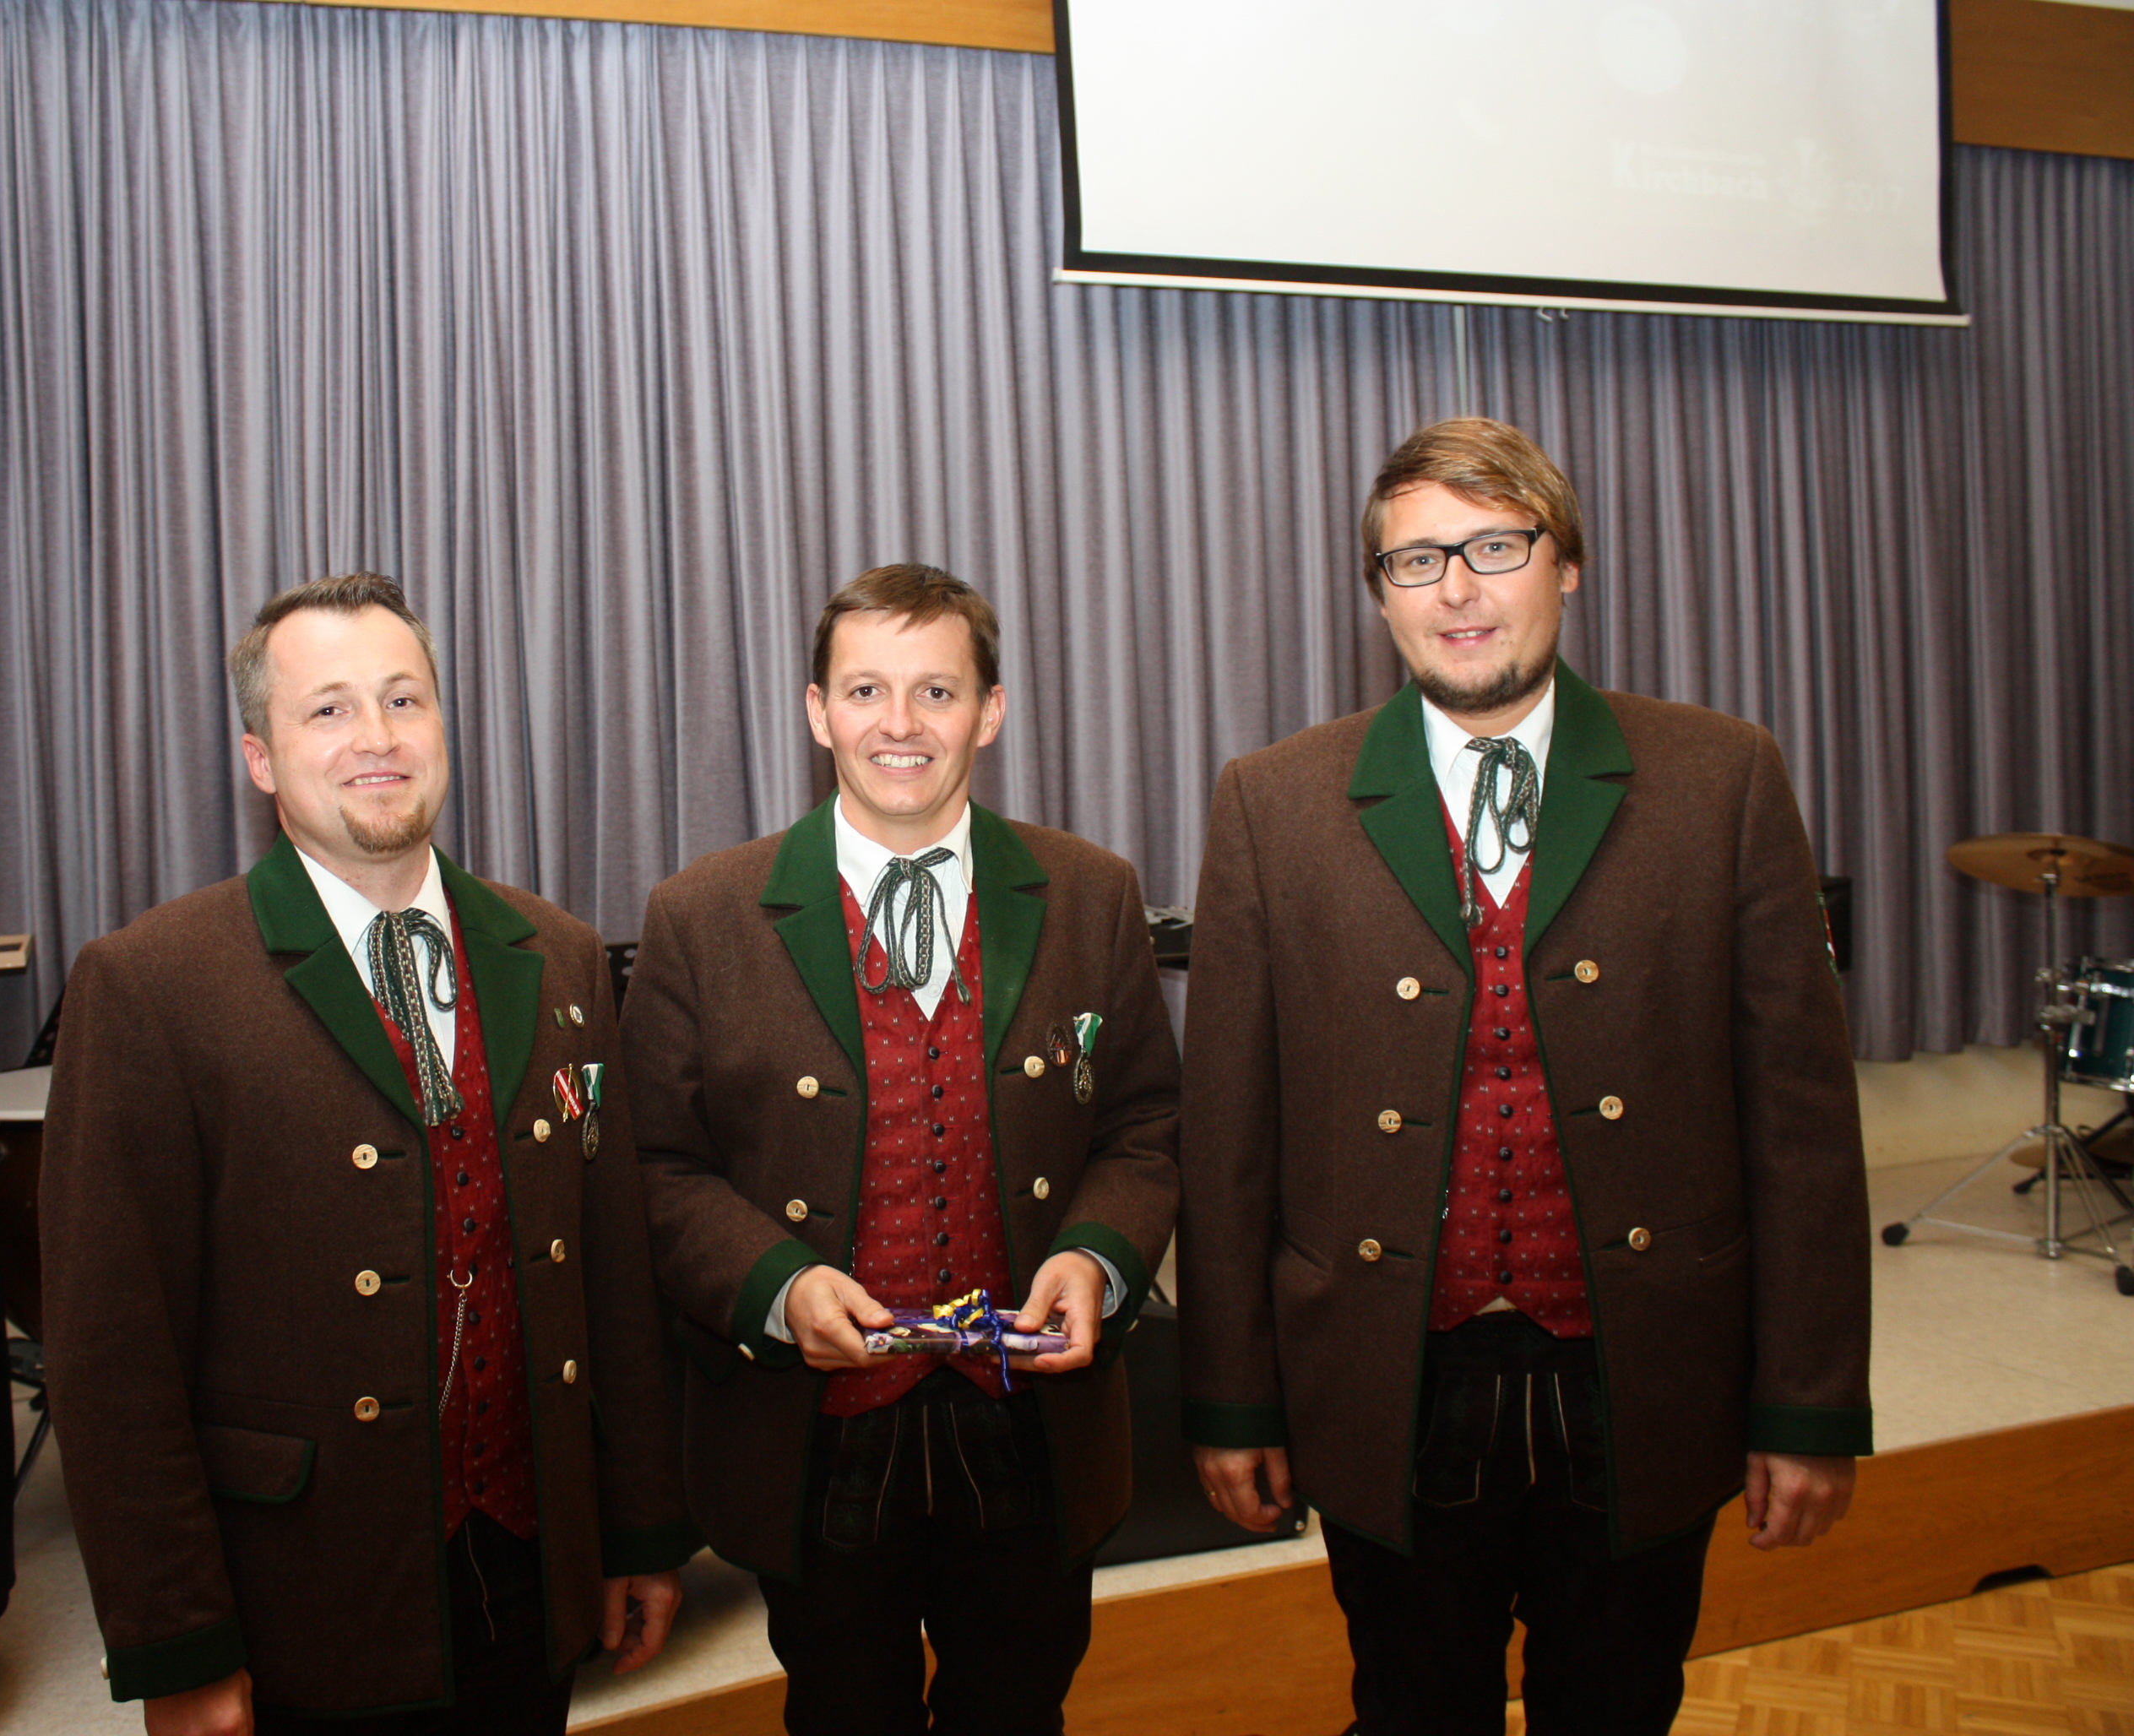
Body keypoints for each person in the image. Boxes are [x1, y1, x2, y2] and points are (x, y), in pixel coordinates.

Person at [1177, 420, 1870, 1736]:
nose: (1456, 589)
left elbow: (1803, 1129)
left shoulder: (1722, 776)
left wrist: (1809, 1405)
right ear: (1380, 594)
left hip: (1644, 1376)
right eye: (1416, 560)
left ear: (1569, 564)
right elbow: (1227, 1139)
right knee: (1409, 1709)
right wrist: (1230, 1397)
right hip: (1387, 1380)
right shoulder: (1273, 800)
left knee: (1617, 1709)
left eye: (1495, 546)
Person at [41, 574, 692, 1735]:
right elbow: (111, 1353)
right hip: (305, 1596)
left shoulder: (561, 953)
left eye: (403, 699)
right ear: (261, 757)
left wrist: (639, 1528)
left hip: (531, 1562)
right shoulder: (149, 986)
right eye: (329, 710)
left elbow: (611, 1277)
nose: (378, 738)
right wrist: (177, 1644)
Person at [621, 563, 1180, 1736]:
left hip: (1032, 1422)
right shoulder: (701, 915)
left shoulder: (1092, 894)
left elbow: (1143, 1127)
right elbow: (658, 1167)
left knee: (1019, 1712)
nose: (901, 724)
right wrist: (777, 1286)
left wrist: (1097, 1255)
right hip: (813, 1436)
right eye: (866, 690)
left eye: (937, 691)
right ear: (817, 711)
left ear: (991, 710)